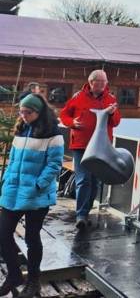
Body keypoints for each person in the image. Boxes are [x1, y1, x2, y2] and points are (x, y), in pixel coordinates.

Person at [0, 94, 64, 298]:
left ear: (39, 112)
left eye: (28, 112)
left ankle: (33, 281)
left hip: (36, 195)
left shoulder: (52, 133)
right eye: (22, 111)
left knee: (31, 237)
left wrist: (38, 185)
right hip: (13, 190)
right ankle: (14, 275)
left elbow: (54, 164)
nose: (23, 115)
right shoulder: (21, 128)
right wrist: (5, 181)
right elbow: (12, 160)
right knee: (2, 233)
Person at [59, 69, 121, 229]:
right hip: (81, 146)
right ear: (91, 82)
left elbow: (116, 122)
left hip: (101, 148)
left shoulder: (111, 99)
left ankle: (85, 213)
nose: (101, 85)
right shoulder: (78, 97)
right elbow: (64, 115)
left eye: (104, 82)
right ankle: (80, 215)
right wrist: (72, 123)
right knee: (83, 180)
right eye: (98, 82)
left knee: (95, 182)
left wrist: (113, 113)